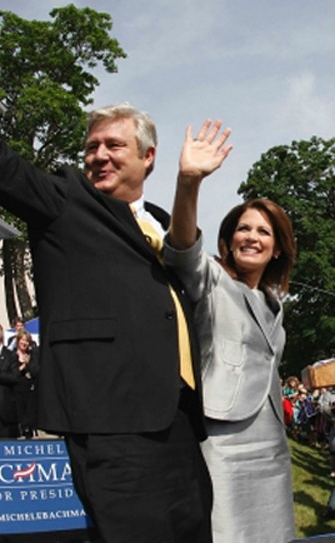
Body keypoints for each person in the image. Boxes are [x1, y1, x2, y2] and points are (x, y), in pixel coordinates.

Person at [0, 6, 213, 541]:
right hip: (112, 421)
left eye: (114, 145)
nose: (99, 155)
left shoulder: (159, 223)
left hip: (177, 419)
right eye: (91, 146)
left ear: (148, 156)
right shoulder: (63, 199)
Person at [163, 119, 296, 542]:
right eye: (243, 228)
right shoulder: (212, 282)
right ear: (228, 239)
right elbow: (182, 250)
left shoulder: (275, 304)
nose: (251, 237)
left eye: (263, 231)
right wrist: (189, 183)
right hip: (222, 438)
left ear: (277, 248)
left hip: (271, 442)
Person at [14, 329, 40, 438]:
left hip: (30, 388)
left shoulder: (32, 355)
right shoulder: (11, 355)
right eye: (22, 340)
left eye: (27, 341)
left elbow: (36, 372)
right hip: (16, 389)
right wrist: (23, 366)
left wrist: (29, 363)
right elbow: (11, 374)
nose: (24, 343)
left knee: (30, 414)